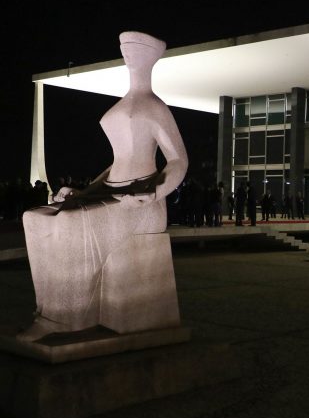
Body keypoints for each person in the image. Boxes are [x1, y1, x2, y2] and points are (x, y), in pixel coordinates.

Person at [18, 31, 188, 341]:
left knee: (71, 222)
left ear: (151, 57)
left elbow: (178, 160)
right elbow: (115, 163)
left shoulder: (155, 107)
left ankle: (64, 318)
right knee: (34, 217)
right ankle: (47, 308)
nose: (127, 53)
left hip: (140, 202)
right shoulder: (124, 104)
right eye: (125, 49)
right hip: (110, 190)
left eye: (135, 49)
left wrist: (155, 192)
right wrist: (84, 192)